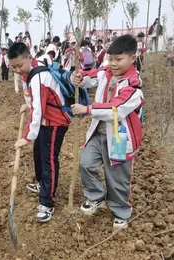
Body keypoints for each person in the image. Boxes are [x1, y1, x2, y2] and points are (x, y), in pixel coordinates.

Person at [71, 34, 144, 229]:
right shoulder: (106, 72)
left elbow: (115, 109)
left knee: (117, 176)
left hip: (120, 137)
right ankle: (96, 196)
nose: (113, 63)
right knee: (86, 164)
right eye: (111, 59)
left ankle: (120, 210)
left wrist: (87, 109)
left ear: (132, 59)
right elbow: (90, 77)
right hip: (98, 133)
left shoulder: (133, 87)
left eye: (119, 59)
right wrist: (77, 77)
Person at [8, 42, 70, 223]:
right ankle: (43, 184)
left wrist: (26, 137)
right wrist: (29, 104)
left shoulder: (38, 78)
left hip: (55, 122)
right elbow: (39, 102)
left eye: (20, 65)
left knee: (48, 159)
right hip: (46, 119)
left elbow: (39, 112)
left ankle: (47, 202)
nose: (18, 70)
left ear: (29, 57)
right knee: (38, 153)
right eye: (14, 67)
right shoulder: (32, 71)